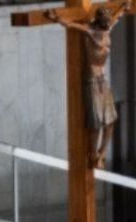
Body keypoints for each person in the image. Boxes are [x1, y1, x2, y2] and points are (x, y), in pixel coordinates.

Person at [45, 1, 131, 169]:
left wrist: (124, 7)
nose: (107, 25)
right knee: (96, 122)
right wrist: (56, 18)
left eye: (108, 22)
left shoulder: (107, 29)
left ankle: (102, 152)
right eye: (104, 22)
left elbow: (118, 17)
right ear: (98, 22)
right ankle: (92, 154)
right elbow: (70, 25)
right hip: (92, 80)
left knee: (111, 121)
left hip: (103, 80)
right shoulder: (90, 32)